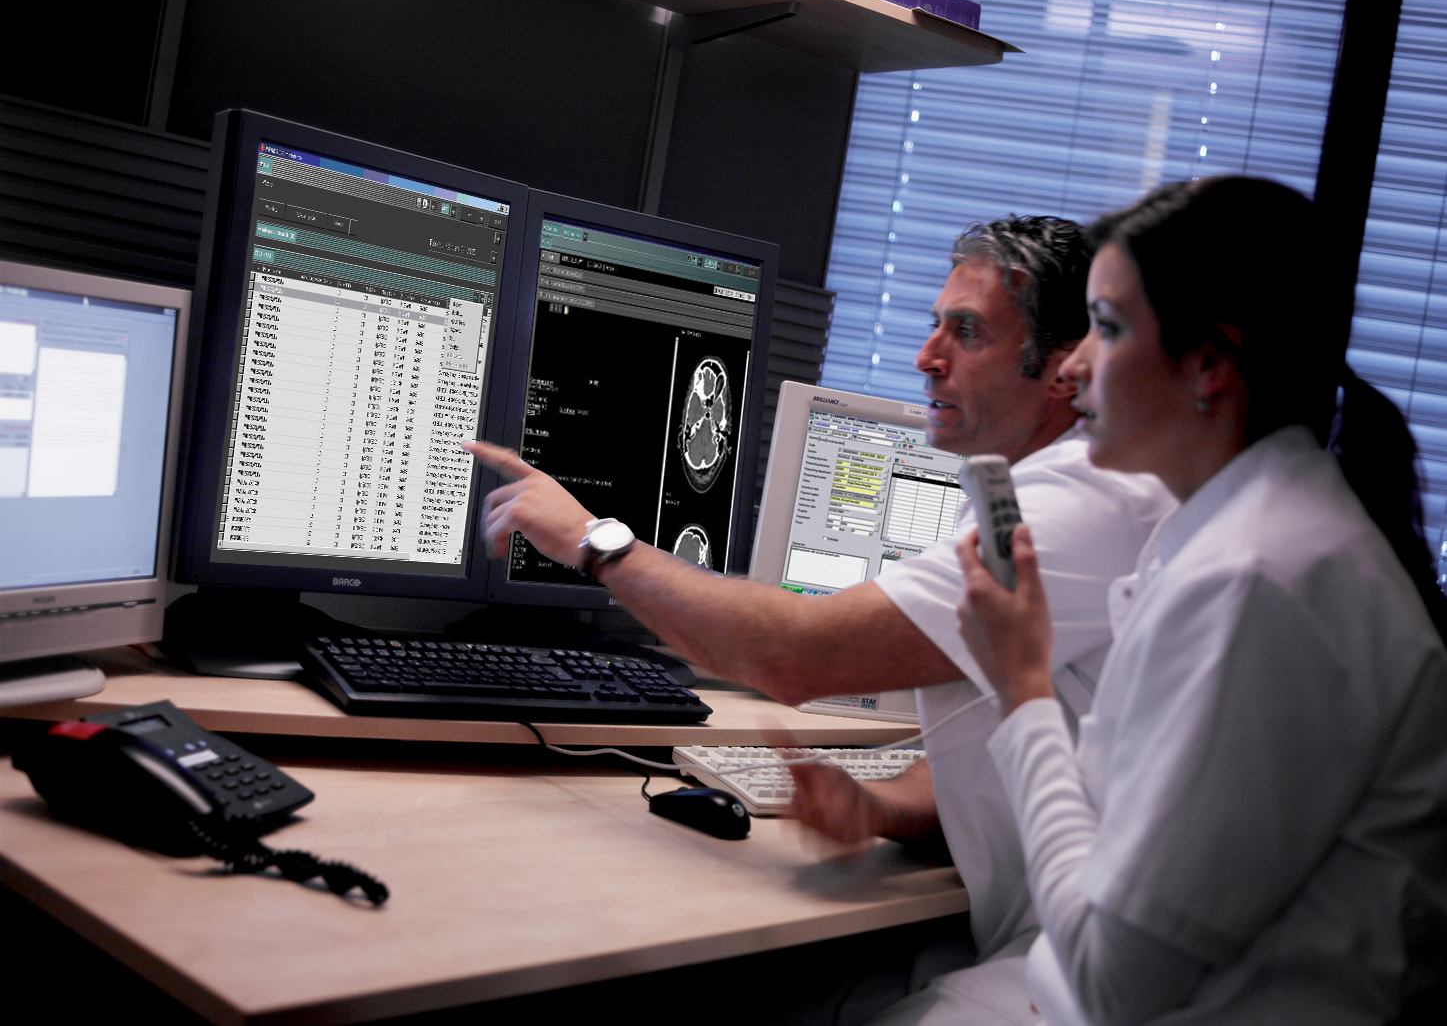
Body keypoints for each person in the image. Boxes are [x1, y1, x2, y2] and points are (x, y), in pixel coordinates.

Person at [464, 216, 1176, 969]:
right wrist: (879, 807)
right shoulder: (1032, 485)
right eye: (934, 325)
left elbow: (800, 657)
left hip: (1080, 966)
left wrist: (594, 541)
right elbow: (1000, 735)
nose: (925, 357)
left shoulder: (1078, 502)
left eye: (966, 333)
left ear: (1062, 368)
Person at [954, 177, 1447, 1025]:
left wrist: (1024, 686)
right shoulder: (1240, 541)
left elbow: (1114, 983)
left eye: (1104, 330)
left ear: (1209, 364)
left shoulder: (1258, 580)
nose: (1070, 368)